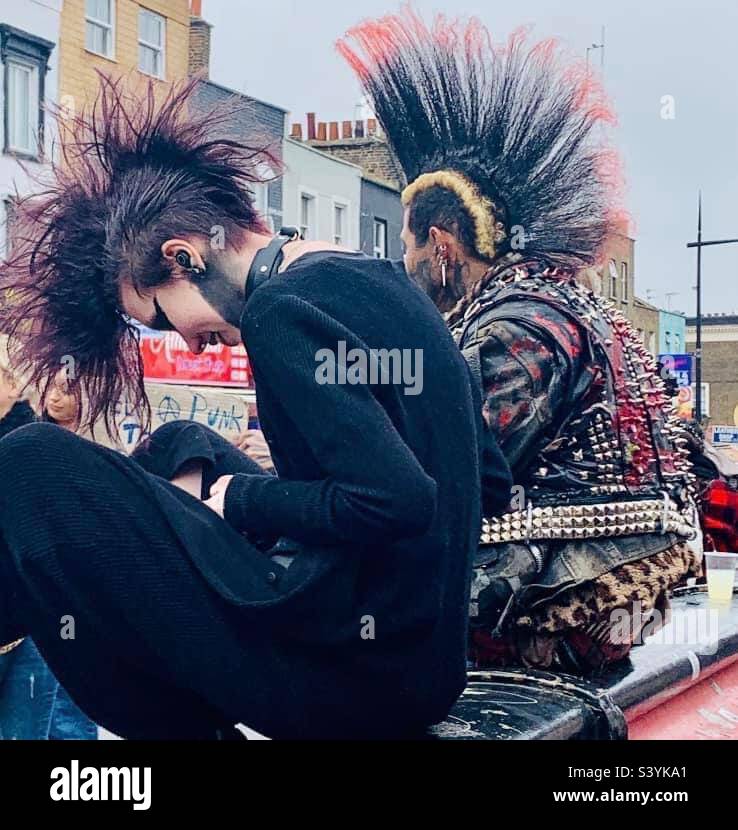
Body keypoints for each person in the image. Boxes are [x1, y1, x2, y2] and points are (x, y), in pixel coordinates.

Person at [0, 76, 511, 739]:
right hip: (419, 671)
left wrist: (242, 501)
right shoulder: (392, 287)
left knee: (28, 463)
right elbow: (489, 483)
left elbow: (400, 499)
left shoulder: (279, 311)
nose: (186, 341)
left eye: (159, 317)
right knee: (179, 443)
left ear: (182, 256)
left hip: (350, 677)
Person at [340, 10, 702, 672]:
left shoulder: (515, 324)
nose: (404, 262)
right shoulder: (566, 301)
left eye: (407, 242)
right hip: (612, 602)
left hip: (564, 603)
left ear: (442, 245)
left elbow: (451, 467)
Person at [0, 365, 96, 739]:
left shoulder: (34, 445)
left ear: (11, 382)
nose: (57, 397)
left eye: (67, 389)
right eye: (52, 389)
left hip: (46, 617)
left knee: (47, 722)